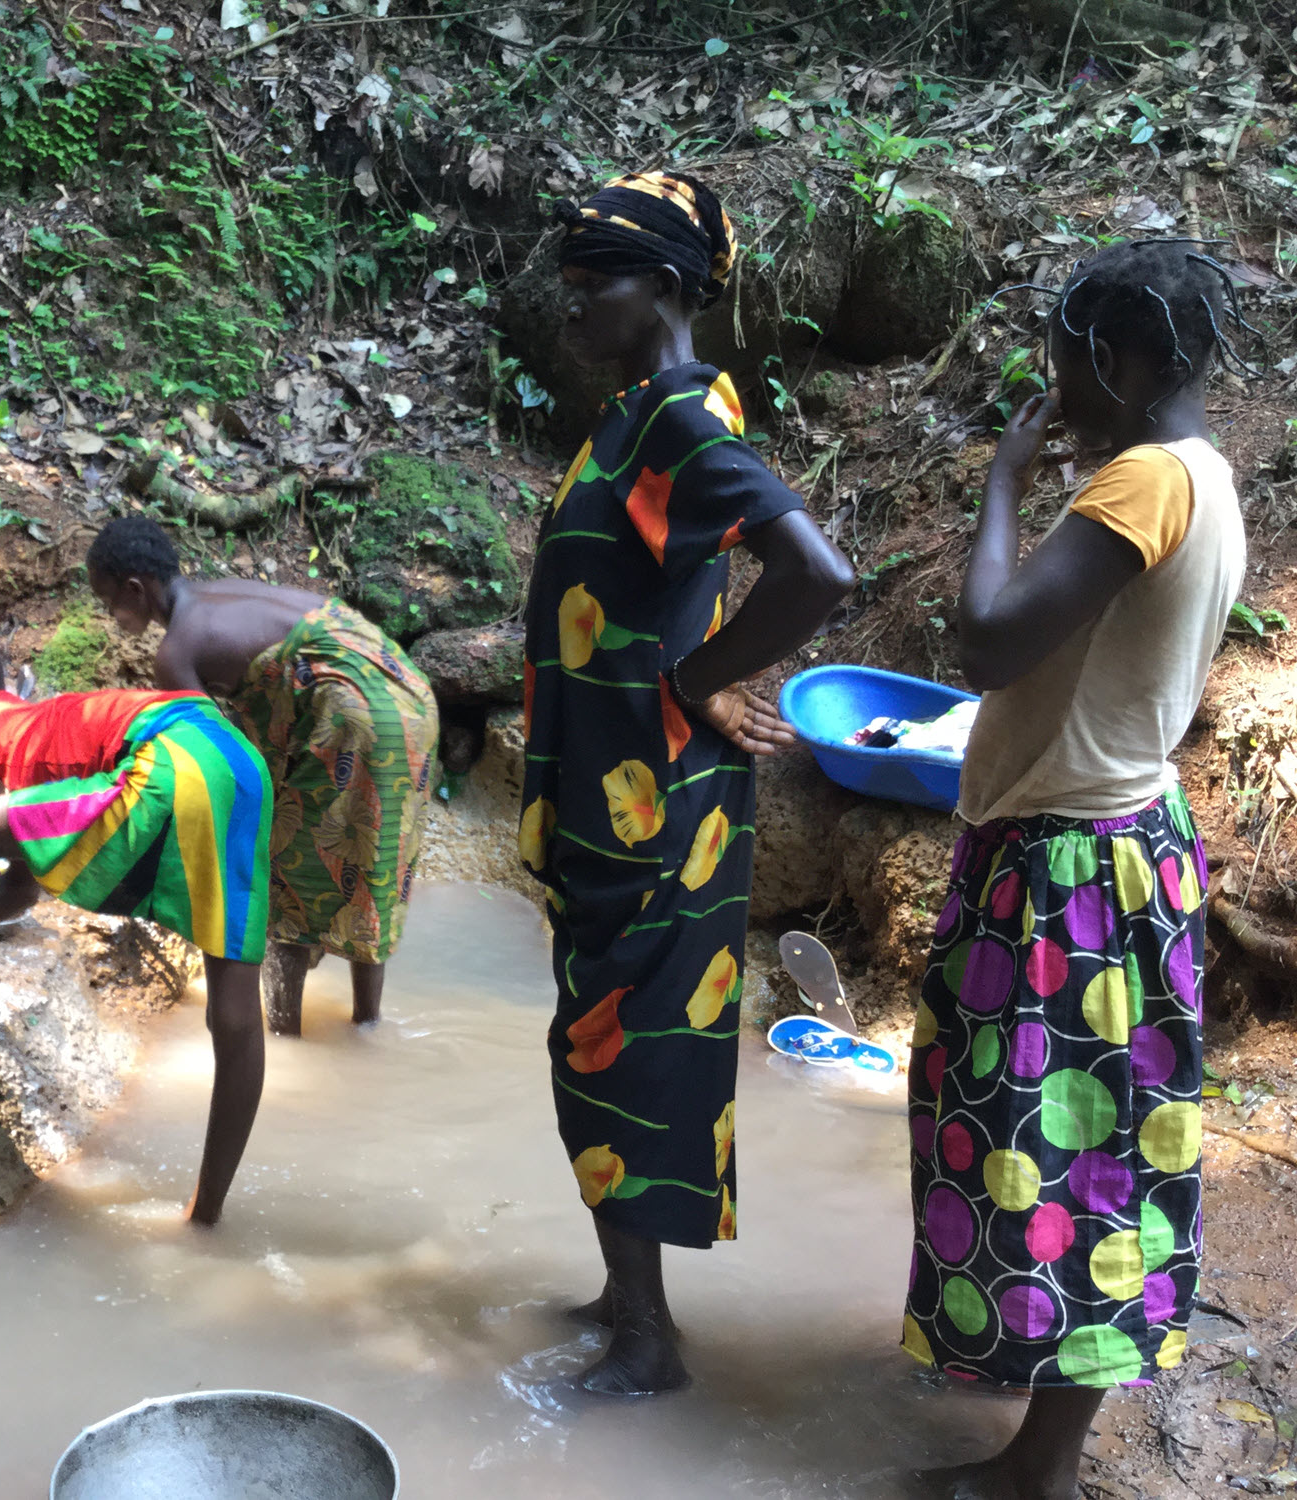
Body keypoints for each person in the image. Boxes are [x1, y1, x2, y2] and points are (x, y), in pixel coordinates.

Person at [904, 240, 1251, 1500]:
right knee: (1055, 1141)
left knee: (1071, 1165)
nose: (1051, 389)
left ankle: (1035, 1471)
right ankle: (1020, 1384)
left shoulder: (1146, 481)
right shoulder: (1203, 476)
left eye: (1063, 362)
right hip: (1103, 852)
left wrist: (1000, 484)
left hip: (1072, 874)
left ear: (1115, 360)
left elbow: (990, 638)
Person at [519, 171, 854, 1396]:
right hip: (615, 805)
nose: (569, 309)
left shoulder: (675, 420)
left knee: (626, 1054)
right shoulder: (632, 415)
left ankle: (648, 1342)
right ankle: (625, 1299)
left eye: (589, 284)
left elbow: (814, 569)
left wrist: (701, 678)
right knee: (600, 1044)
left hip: (657, 813)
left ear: (660, 289)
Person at [0, 627, 272, 1225]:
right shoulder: (38, 726)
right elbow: (13, 893)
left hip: (167, 757)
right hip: (234, 757)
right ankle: (206, 1215)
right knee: (236, 1015)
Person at [86, 515, 441, 1035]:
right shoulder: (222, 594)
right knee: (373, 864)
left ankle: (283, 1034)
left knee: (278, 883)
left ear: (136, 589)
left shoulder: (176, 652)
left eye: (108, 600)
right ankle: (368, 1029)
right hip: (407, 695)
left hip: (354, 717)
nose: (109, 614)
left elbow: (218, 762)